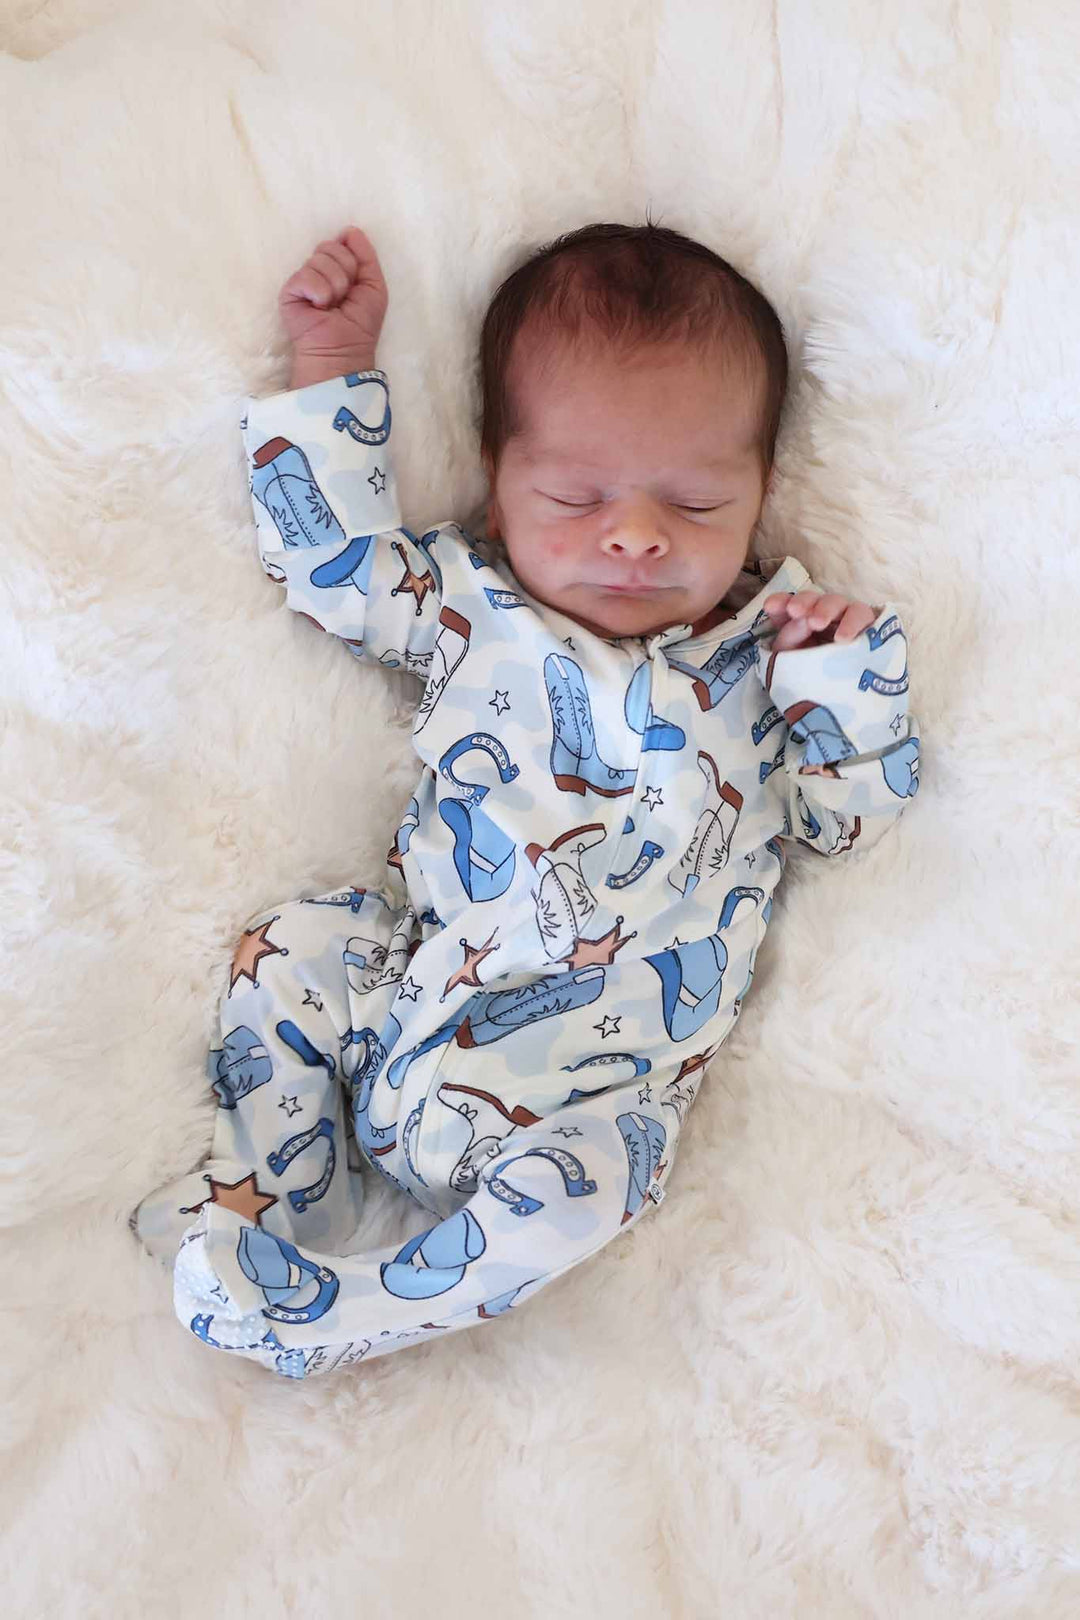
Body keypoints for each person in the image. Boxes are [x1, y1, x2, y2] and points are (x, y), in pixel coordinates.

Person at [132, 222, 920, 1379]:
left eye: (698, 503)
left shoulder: (770, 656)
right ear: (499, 494)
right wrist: (330, 366)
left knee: (591, 1191)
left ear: (761, 498)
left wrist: (845, 687)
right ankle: (273, 1208)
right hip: (408, 1002)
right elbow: (333, 570)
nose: (636, 534)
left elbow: (844, 825)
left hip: (590, 1095)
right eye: (575, 495)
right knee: (294, 948)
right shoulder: (471, 604)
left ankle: (357, 1314)